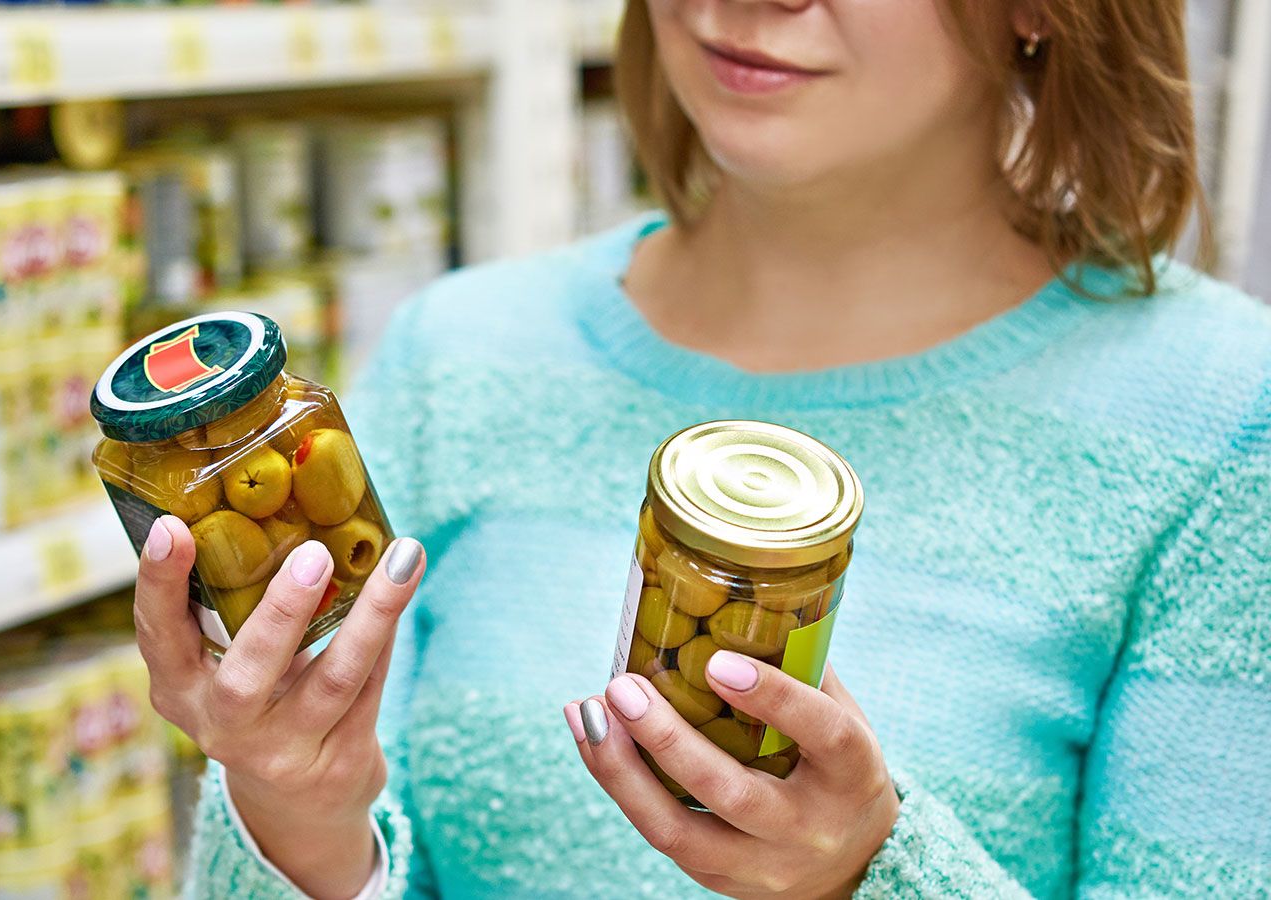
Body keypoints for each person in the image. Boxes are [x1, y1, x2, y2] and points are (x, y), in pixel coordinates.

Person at [136, 0, 1271, 896]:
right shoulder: (460, 347)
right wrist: (296, 817)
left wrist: (866, 877)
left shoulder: (1224, 415)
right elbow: (354, 850)